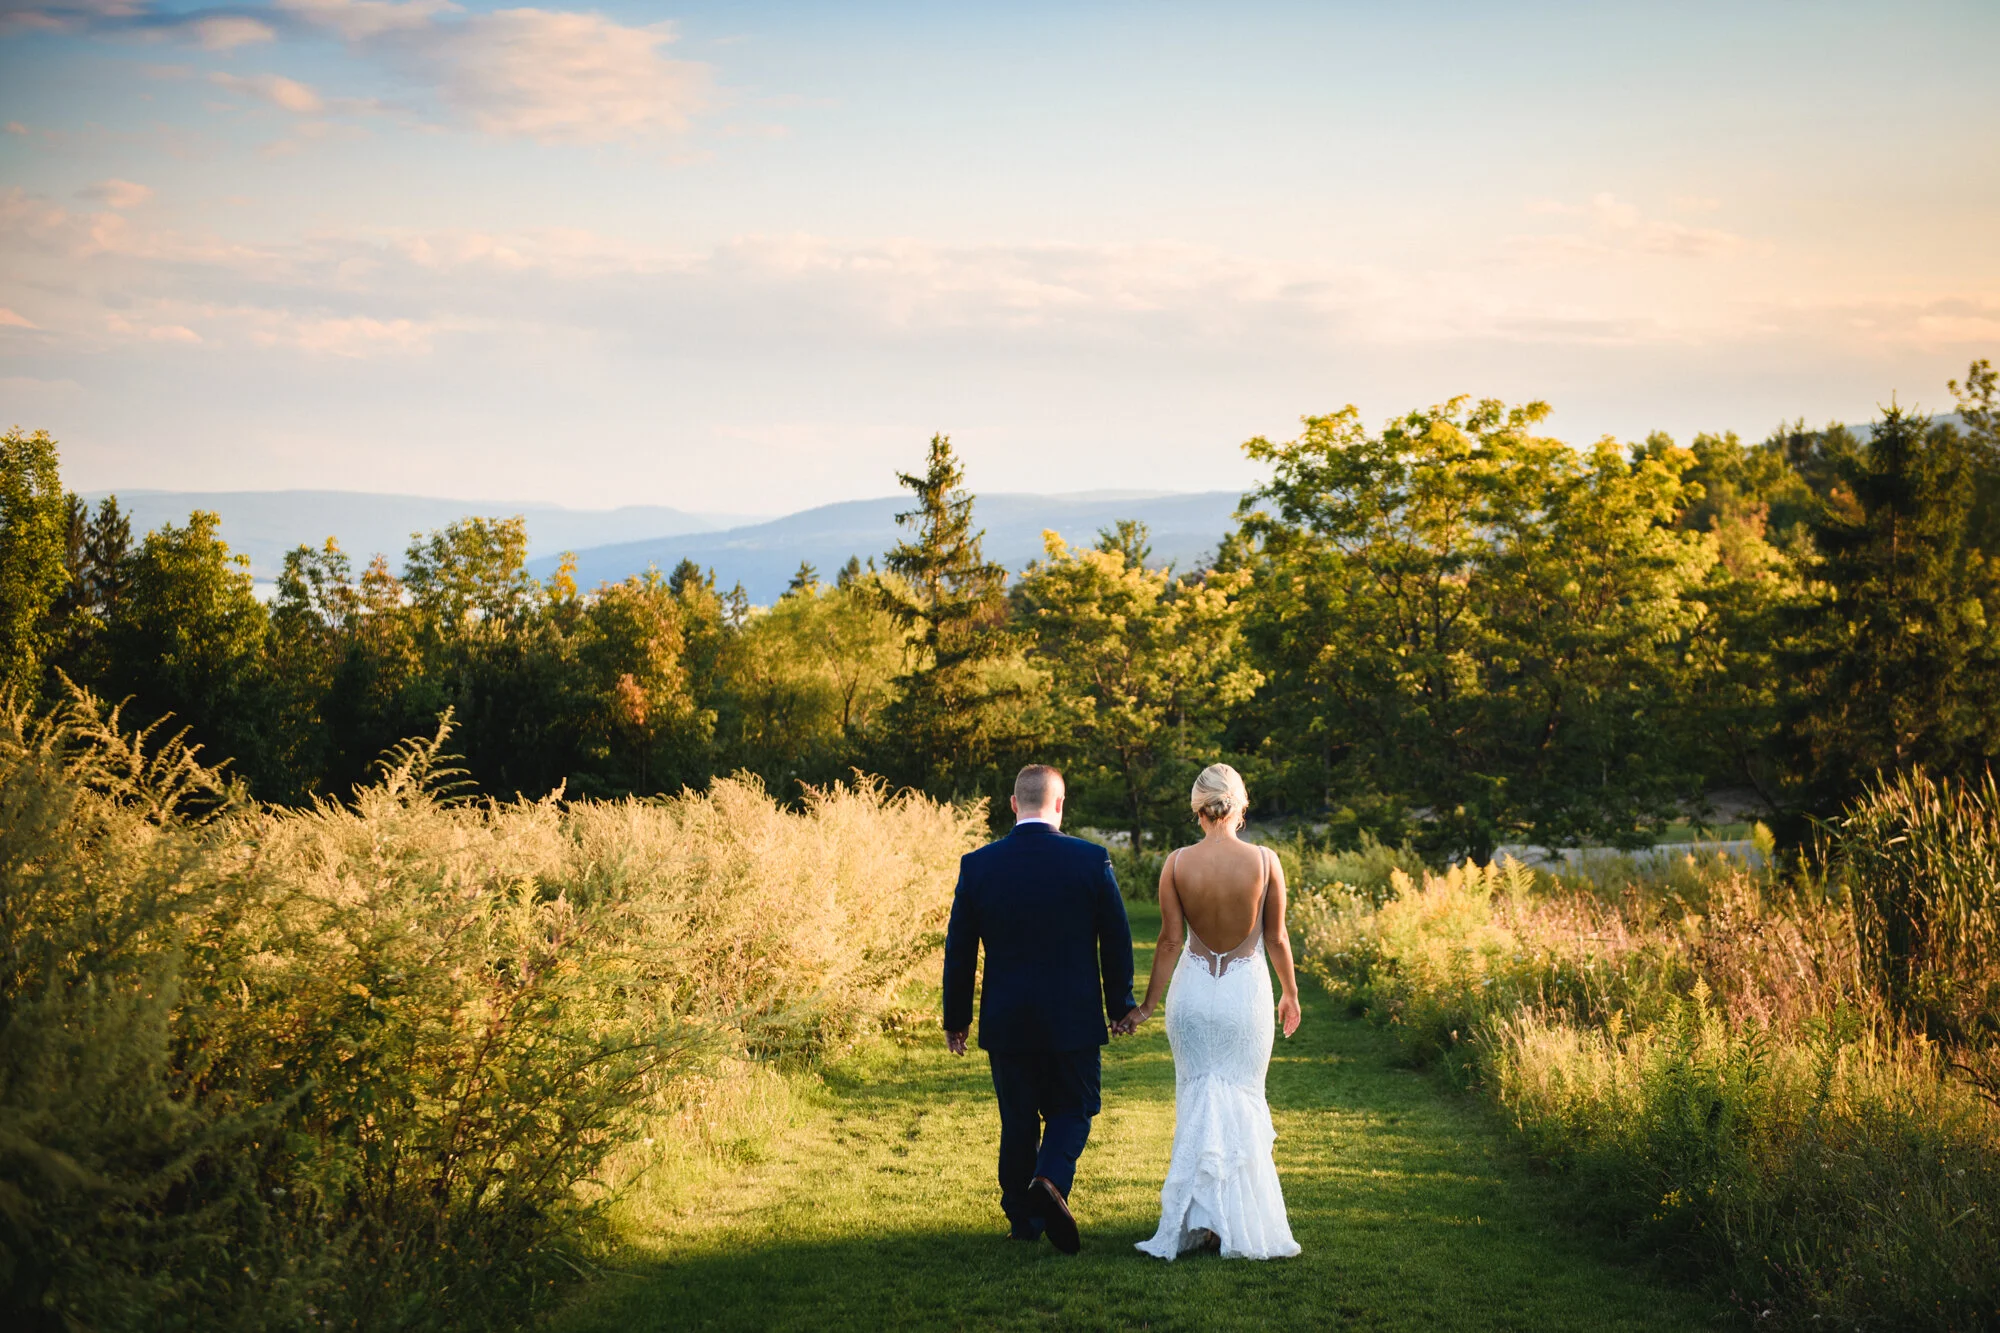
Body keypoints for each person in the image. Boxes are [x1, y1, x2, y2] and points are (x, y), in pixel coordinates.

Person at [942, 764, 1136, 1254]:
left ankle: (1023, 1222)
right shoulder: (1090, 860)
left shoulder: (978, 865)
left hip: (1007, 1018)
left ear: (1013, 804)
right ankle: (1049, 1181)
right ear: (1060, 804)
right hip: (1073, 1017)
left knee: (1018, 1120)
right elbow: (1115, 939)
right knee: (1075, 1107)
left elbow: (960, 951)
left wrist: (956, 1019)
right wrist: (1120, 1005)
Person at [1124, 762, 1302, 1260]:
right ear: (1240, 805)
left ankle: (1198, 1221)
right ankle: (1233, 1224)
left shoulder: (1177, 863)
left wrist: (1147, 1005)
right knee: (1243, 1097)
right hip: (1245, 993)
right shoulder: (1265, 861)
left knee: (1197, 1099)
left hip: (1194, 995)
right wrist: (1290, 992)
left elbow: (1169, 942)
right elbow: (1276, 938)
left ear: (1197, 809)